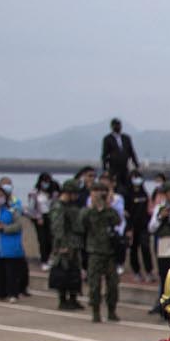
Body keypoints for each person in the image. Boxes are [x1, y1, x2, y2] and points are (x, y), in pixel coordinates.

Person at [83, 183, 125, 322]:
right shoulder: (89, 212)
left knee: (113, 283)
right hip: (94, 251)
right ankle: (95, 311)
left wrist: (107, 206)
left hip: (110, 252)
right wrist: (94, 207)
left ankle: (112, 310)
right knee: (94, 284)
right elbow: (81, 224)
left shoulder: (110, 211)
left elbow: (118, 221)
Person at [48, 178, 86, 311]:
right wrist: (61, 245)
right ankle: (63, 300)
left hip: (75, 243)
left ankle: (73, 298)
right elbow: (57, 228)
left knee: (74, 272)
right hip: (65, 244)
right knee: (63, 272)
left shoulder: (72, 207)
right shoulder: (59, 207)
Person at [0, 184, 28, 302]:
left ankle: (13, 293)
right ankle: (1, 293)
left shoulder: (12, 210)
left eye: (1, 195)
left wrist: (4, 227)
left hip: (11, 246)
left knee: (11, 273)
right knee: (0, 272)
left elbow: (18, 225)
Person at [24, 173, 56, 269]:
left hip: (50, 217)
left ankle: (49, 257)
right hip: (39, 218)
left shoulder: (52, 193)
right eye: (44, 181)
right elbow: (30, 209)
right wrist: (37, 217)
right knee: (42, 240)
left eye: (47, 182)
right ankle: (44, 260)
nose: (46, 184)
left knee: (50, 239)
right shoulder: (34, 193)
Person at [100, 118, 138, 185]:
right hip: (113, 167)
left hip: (125, 167)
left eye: (119, 125)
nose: (118, 127)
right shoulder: (107, 139)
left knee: (126, 183)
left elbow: (131, 152)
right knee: (114, 183)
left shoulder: (126, 138)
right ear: (111, 126)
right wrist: (105, 168)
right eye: (115, 125)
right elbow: (104, 154)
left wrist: (136, 165)